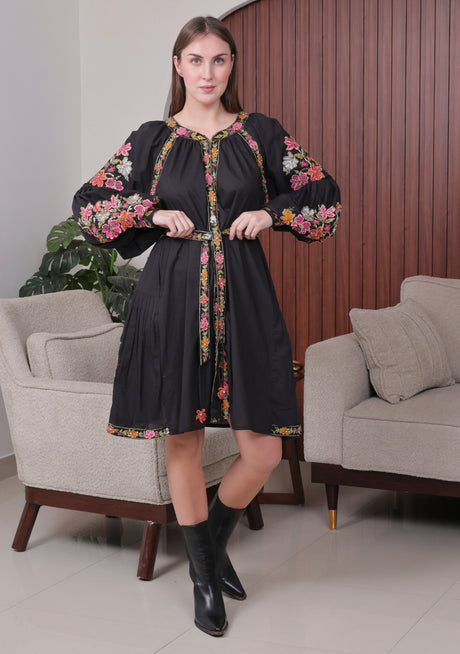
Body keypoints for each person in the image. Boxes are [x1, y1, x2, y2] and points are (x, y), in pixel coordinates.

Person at [72, 15, 340, 637]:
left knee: (263, 448)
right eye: (196, 60)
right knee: (184, 440)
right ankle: (203, 582)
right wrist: (152, 212)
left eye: (219, 59)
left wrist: (272, 214)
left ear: (232, 65)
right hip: (171, 298)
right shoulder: (152, 141)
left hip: (245, 298)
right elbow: (90, 206)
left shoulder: (261, 134)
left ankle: (209, 548)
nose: (208, 72)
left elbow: (324, 198)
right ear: (178, 66)